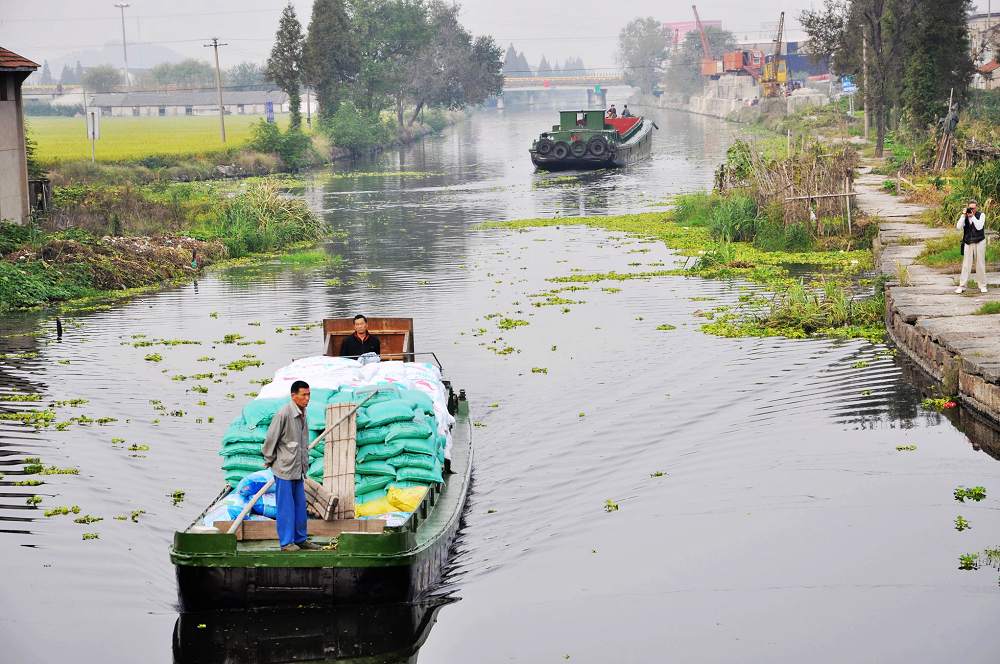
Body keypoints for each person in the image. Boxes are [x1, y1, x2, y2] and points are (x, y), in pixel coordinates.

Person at [262, 380, 320, 551]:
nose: (307, 398)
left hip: (298, 469)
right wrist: (269, 459)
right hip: (284, 469)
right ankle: (286, 543)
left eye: (309, 395)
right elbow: (271, 439)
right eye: (304, 395)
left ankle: (301, 539)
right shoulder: (284, 414)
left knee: (300, 507)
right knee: (286, 508)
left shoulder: (303, 413)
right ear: (293, 396)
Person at [955, 200, 988, 294]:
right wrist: (963, 215)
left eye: (973, 208)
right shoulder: (964, 216)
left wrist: (972, 216)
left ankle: (982, 285)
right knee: (966, 265)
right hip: (968, 242)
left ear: (976, 208)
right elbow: (958, 227)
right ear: (968, 207)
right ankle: (962, 286)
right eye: (970, 208)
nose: (972, 210)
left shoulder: (981, 215)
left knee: (980, 264)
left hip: (980, 241)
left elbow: (979, 227)